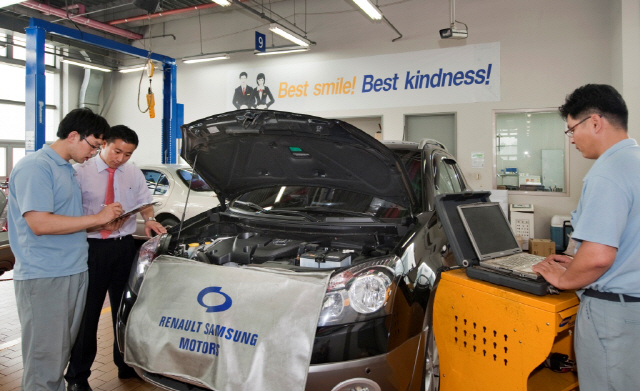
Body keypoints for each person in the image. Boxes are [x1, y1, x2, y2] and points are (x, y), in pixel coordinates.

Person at [532, 84, 640, 391]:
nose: (572, 140)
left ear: (595, 122)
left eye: (571, 130)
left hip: (614, 317)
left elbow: (599, 257)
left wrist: (565, 279)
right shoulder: (635, 161)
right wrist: (577, 261)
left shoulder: (608, 172)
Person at [7, 108, 123, 391]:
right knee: (44, 358)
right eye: (93, 146)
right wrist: (98, 218)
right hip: (45, 275)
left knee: (58, 355)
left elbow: (66, 222)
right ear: (73, 136)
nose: (94, 154)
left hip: (73, 270)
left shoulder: (66, 170)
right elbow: (39, 223)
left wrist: (99, 224)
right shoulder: (36, 167)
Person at [65, 125, 167, 390]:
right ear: (104, 145)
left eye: (127, 154)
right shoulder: (81, 172)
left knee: (126, 310)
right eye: (117, 151)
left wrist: (149, 220)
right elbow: (71, 217)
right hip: (91, 250)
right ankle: (77, 377)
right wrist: (99, 225)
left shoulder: (133, 172)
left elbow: (145, 202)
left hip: (124, 248)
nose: (120, 159)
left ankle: (125, 364)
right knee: (87, 317)